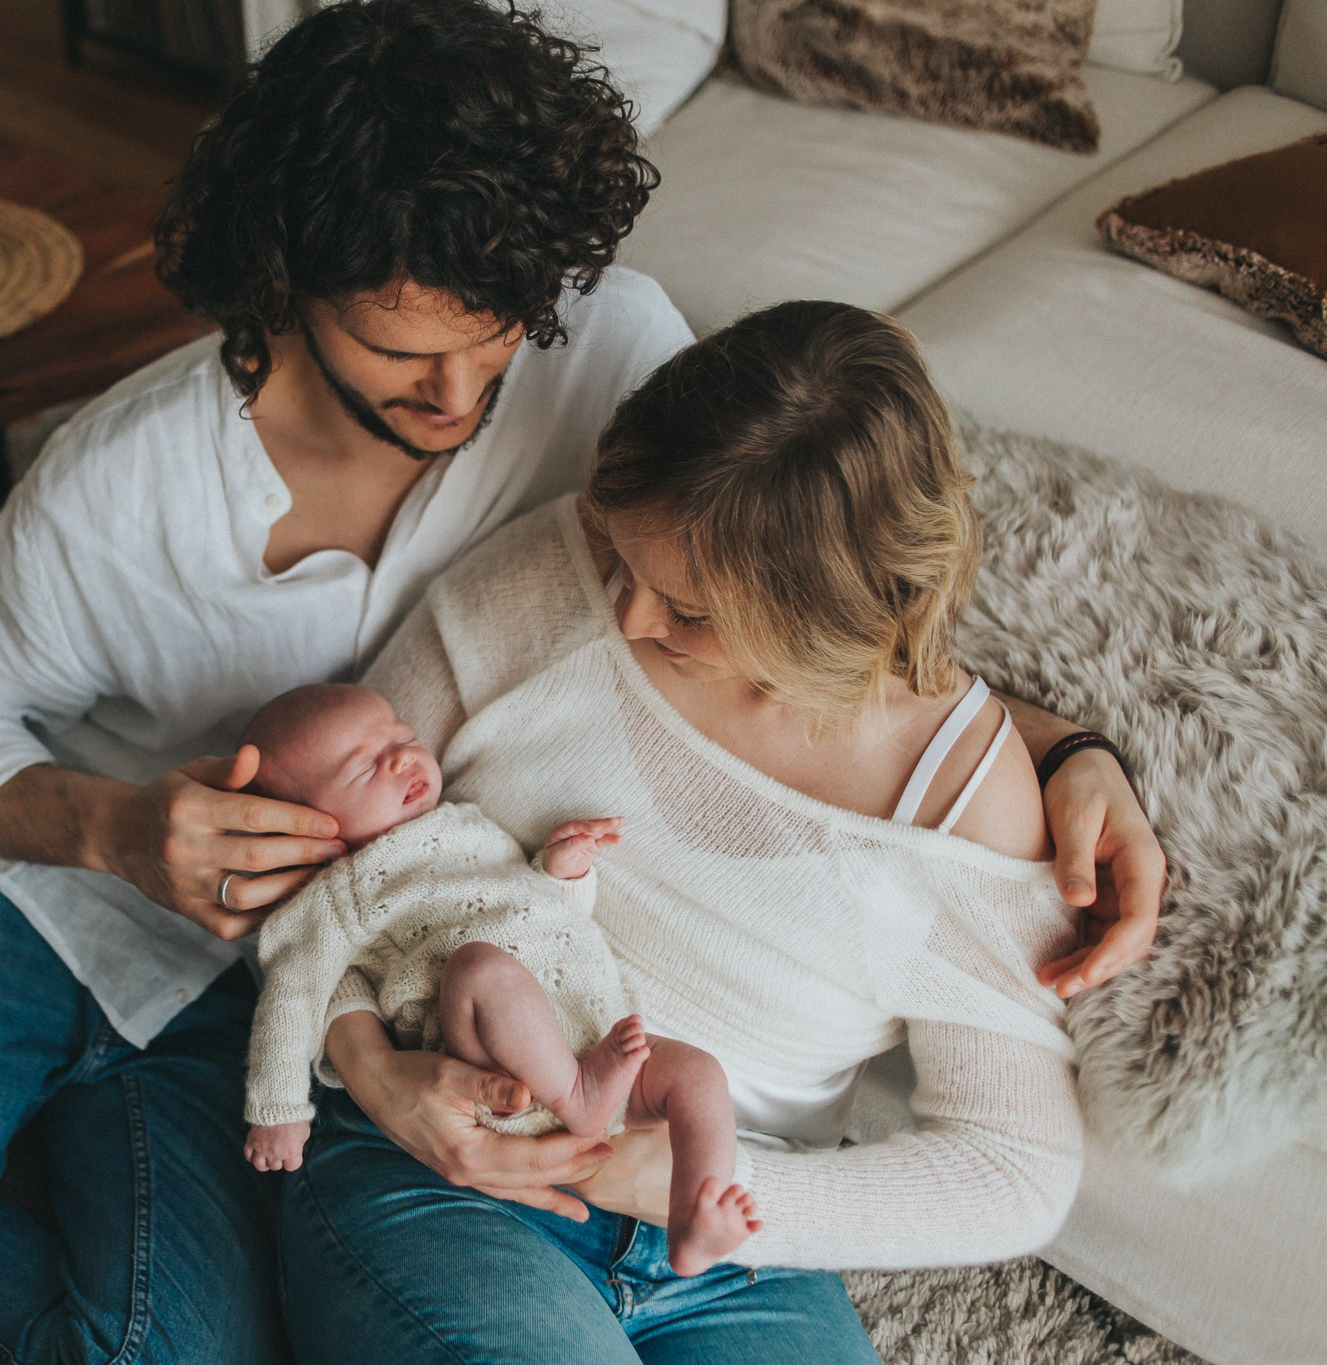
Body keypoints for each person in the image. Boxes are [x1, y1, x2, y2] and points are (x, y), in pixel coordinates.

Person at [0, 2, 1164, 1361]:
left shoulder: (601, 350)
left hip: (262, 972)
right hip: (38, 900)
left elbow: (777, 578)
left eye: (496, 352)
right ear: (281, 280)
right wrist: (107, 827)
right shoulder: (123, 484)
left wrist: (1060, 749)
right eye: (407, 356)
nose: (466, 401)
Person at [281, 299, 1093, 1360]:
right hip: (453, 1168)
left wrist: (726, 1185)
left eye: (689, 611)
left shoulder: (956, 802)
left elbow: (1014, 1169)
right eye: (625, 563)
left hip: (725, 1255)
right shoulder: (549, 584)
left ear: (836, 611)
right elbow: (314, 862)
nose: (624, 619)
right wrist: (370, 1072)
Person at [235, 682, 760, 1276]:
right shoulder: (339, 894)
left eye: (402, 737)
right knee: (479, 965)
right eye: (365, 767)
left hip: (593, 1034)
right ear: (309, 829)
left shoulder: (466, 823)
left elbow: (533, 912)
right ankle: (575, 1095)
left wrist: (560, 874)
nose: (404, 758)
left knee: (698, 1073)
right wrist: (278, 1109)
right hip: (499, 1072)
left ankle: (697, 1214)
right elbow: (294, 993)